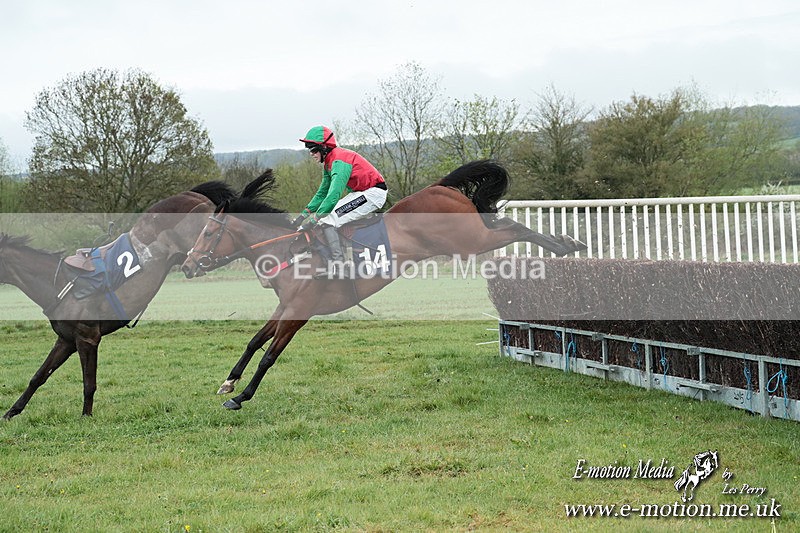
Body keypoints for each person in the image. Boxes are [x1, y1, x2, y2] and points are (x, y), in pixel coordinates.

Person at [294, 125, 388, 278]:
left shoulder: (339, 161)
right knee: (325, 217)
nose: (311, 154)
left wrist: (314, 219)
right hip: (362, 192)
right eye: (309, 150)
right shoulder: (329, 163)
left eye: (313, 150)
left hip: (373, 194)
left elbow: (333, 195)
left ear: (324, 147)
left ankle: (339, 267)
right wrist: (302, 215)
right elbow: (322, 193)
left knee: (328, 219)